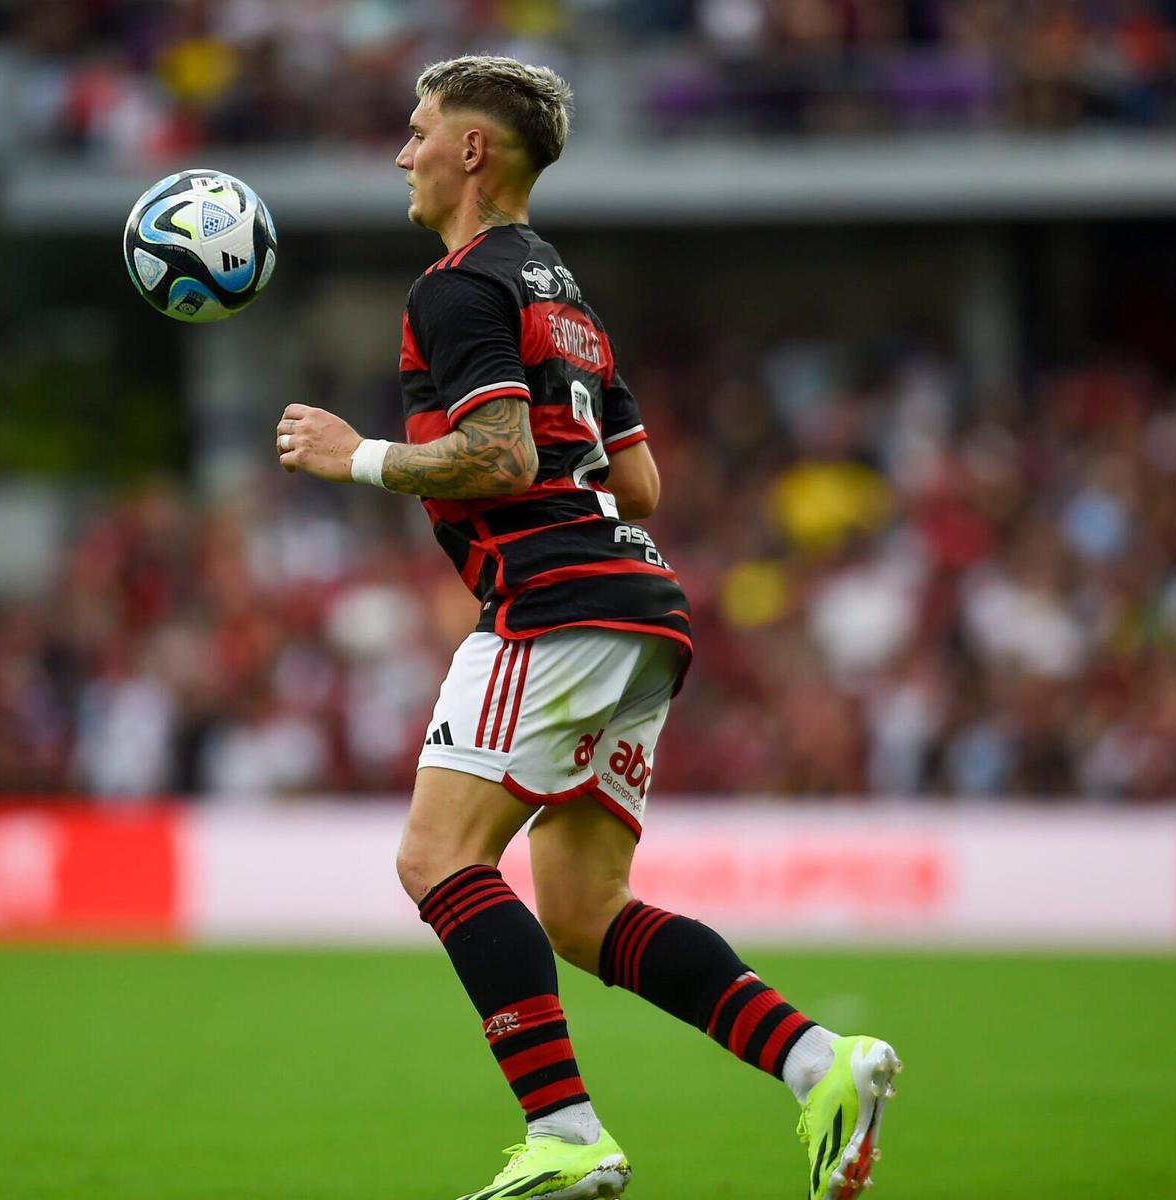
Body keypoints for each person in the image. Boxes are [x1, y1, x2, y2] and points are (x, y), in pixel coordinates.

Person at [274, 54, 900, 1200]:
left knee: (436, 856)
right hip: (639, 606)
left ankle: (565, 1132)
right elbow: (642, 480)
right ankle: (822, 1062)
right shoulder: (566, 297)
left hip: (552, 603)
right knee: (579, 909)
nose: (403, 154)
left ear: (474, 151)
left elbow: (505, 456)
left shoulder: (457, 286)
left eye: (419, 133)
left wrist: (354, 456)